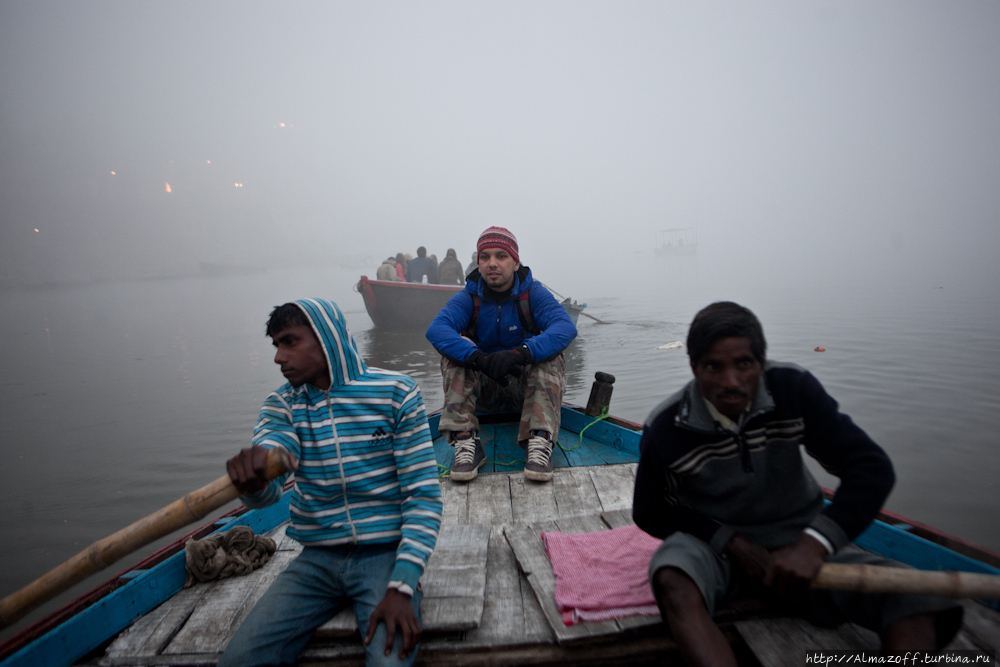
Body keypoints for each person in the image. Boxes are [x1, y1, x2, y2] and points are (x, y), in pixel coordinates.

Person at [632, 302, 962, 667]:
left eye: (744, 363)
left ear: (761, 361)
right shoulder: (667, 427)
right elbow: (651, 511)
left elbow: (871, 469)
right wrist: (730, 542)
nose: (731, 382)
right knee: (672, 579)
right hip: (716, 551)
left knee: (913, 597)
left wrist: (814, 544)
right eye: (714, 367)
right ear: (694, 367)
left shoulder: (792, 390)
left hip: (800, 537)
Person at [219, 299, 442, 667]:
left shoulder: (395, 393)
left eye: (290, 342)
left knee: (389, 660)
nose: (279, 357)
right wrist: (256, 477)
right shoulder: (283, 406)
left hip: (385, 555)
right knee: (239, 660)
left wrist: (402, 585)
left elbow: (423, 497)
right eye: (276, 345)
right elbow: (274, 470)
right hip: (317, 562)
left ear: (327, 339)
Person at [426, 226, 577, 483]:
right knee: (454, 353)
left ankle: (539, 442)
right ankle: (465, 442)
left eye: (501, 256)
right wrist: (479, 359)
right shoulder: (468, 298)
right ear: (478, 262)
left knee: (550, 355)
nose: (492, 264)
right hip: (484, 394)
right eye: (484, 257)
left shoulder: (534, 294)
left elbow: (565, 328)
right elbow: (437, 330)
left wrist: (522, 353)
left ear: (515, 262)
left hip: (525, 396)